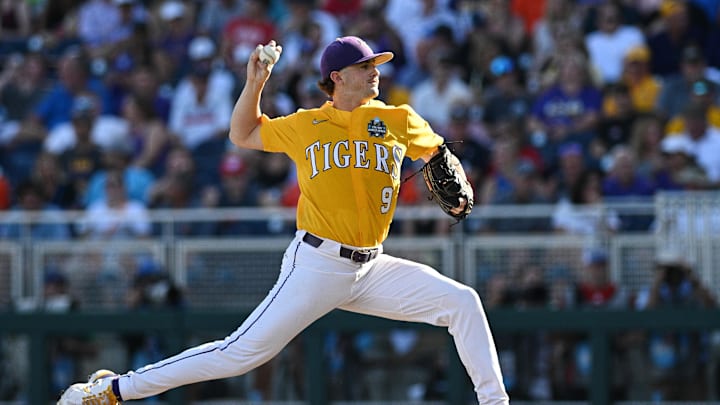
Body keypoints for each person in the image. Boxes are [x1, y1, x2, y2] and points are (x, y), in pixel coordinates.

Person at [58, 36, 509, 405]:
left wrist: (453, 172)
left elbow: (439, 154)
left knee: (462, 302)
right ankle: (111, 390)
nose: (376, 70)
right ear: (337, 77)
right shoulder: (306, 124)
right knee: (238, 353)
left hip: (372, 267)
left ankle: (495, 403)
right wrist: (254, 82)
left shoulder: (397, 119)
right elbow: (243, 132)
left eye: (377, 63)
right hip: (316, 264)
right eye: (366, 65)